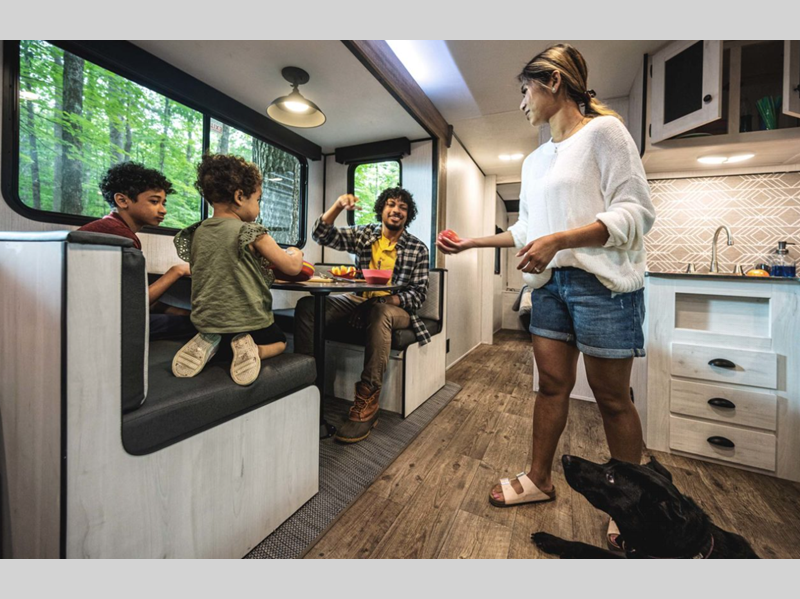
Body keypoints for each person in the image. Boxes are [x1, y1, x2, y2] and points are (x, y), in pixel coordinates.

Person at [437, 43, 655, 548]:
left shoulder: (605, 133)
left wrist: (560, 240)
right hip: (550, 287)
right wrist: (471, 242)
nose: (521, 103)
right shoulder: (535, 160)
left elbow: (636, 213)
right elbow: (527, 230)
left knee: (612, 399)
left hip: (602, 286)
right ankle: (539, 478)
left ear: (553, 81)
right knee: (551, 388)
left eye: (525, 90)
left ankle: (632, 505)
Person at [295, 187, 429, 443]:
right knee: (308, 307)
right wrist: (337, 206)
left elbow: (418, 295)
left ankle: (367, 401)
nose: (396, 210)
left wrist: (385, 299)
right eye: (391, 204)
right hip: (359, 298)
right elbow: (321, 234)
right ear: (382, 209)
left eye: (403, 208)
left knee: (379, 312)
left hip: (397, 308)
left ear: (408, 215)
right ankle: (306, 384)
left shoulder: (417, 249)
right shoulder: (365, 234)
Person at [171, 154, 304, 386]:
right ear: (240, 196)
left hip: (206, 322)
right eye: (258, 199)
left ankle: (208, 342)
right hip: (250, 323)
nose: (258, 207)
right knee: (281, 341)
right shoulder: (251, 231)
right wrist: (296, 253)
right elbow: (292, 268)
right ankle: (254, 351)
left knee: (222, 336)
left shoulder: (197, 232)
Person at [78, 162, 194, 339]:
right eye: (154, 201)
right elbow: (134, 304)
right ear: (122, 200)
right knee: (198, 324)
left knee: (185, 316)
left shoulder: (108, 228)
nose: (163, 210)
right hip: (101, 321)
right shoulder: (119, 237)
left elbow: (130, 295)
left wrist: (177, 311)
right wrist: (177, 271)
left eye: (163, 203)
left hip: (96, 312)